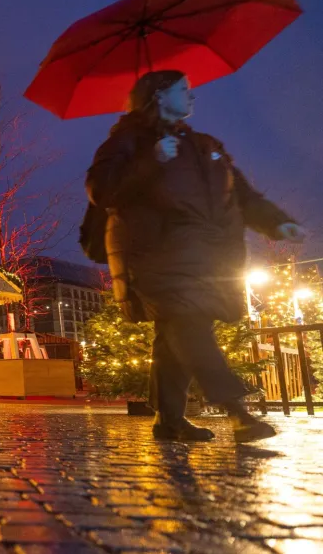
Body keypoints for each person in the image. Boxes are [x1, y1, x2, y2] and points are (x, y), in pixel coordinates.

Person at [85, 70, 305, 443]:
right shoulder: (127, 142)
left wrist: (277, 223)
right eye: (183, 89)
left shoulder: (204, 145)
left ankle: (169, 421)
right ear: (158, 95)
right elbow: (102, 191)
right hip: (151, 254)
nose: (192, 96)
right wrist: (151, 161)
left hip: (203, 257)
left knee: (174, 334)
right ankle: (239, 414)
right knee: (189, 324)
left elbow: (241, 195)